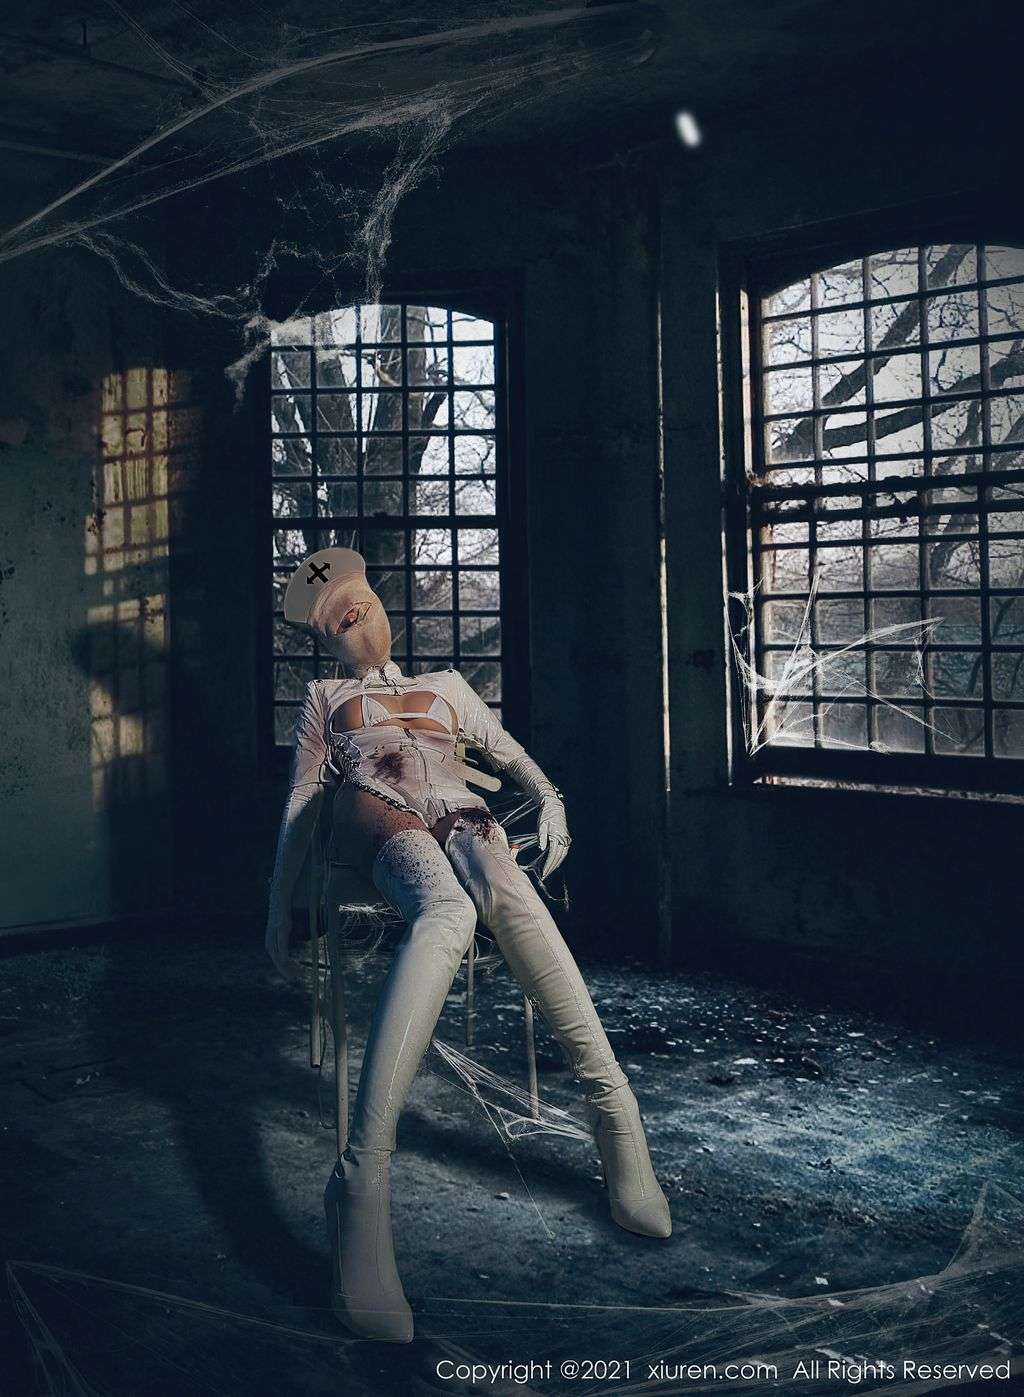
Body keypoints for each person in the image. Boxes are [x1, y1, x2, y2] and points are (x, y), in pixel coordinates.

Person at [266, 547, 671, 1343]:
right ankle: (361, 1180)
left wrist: (550, 800)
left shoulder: (450, 687)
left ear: (380, 602)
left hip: (456, 804)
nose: (352, 616)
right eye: (334, 619)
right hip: (371, 806)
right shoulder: (325, 698)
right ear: (324, 642)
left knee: (506, 885)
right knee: (447, 908)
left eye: (357, 601)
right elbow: (302, 802)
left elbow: (513, 758)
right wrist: (278, 904)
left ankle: (616, 1115)